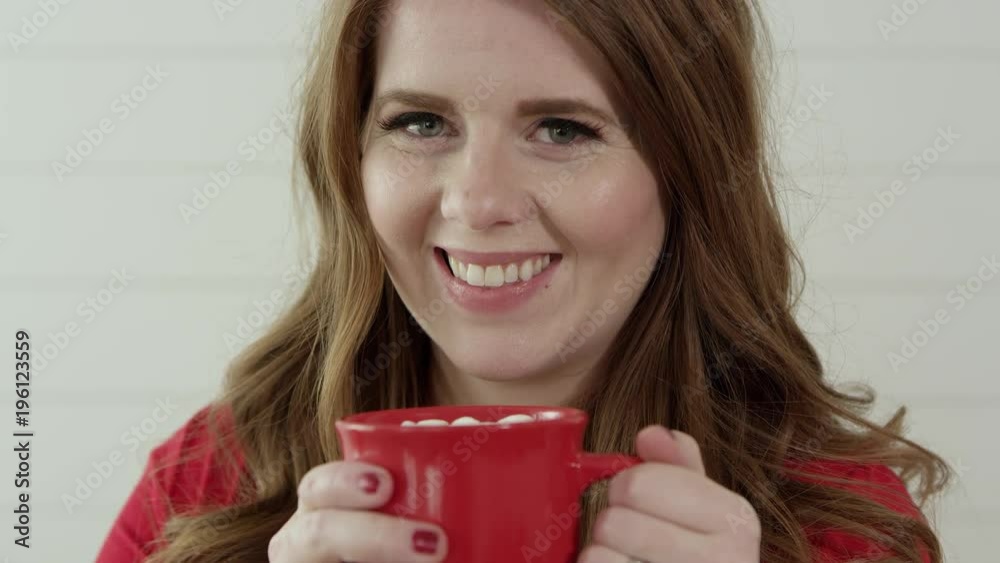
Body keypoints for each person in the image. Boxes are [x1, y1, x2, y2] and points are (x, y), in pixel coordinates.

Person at [98, 0, 951, 561]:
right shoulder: (207, 486)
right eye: (421, 122)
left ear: (685, 168)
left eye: (562, 129)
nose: (478, 202)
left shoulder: (842, 528)